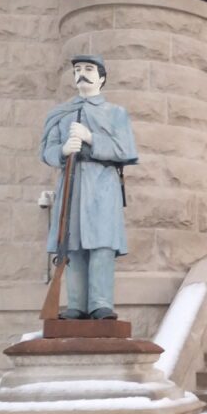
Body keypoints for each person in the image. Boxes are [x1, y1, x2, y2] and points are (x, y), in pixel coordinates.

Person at [40, 55, 138, 320]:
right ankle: (76, 305)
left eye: (89, 69)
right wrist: (62, 150)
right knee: (72, 245)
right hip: (71, 182)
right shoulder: (60, 113)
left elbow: (126, 150)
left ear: (101, 77)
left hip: (102, 184)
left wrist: (90, 138)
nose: (82, 74)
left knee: (102, 244)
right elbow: (46, 151)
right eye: (78, 69)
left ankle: (100, 304)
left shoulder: (116, 113)